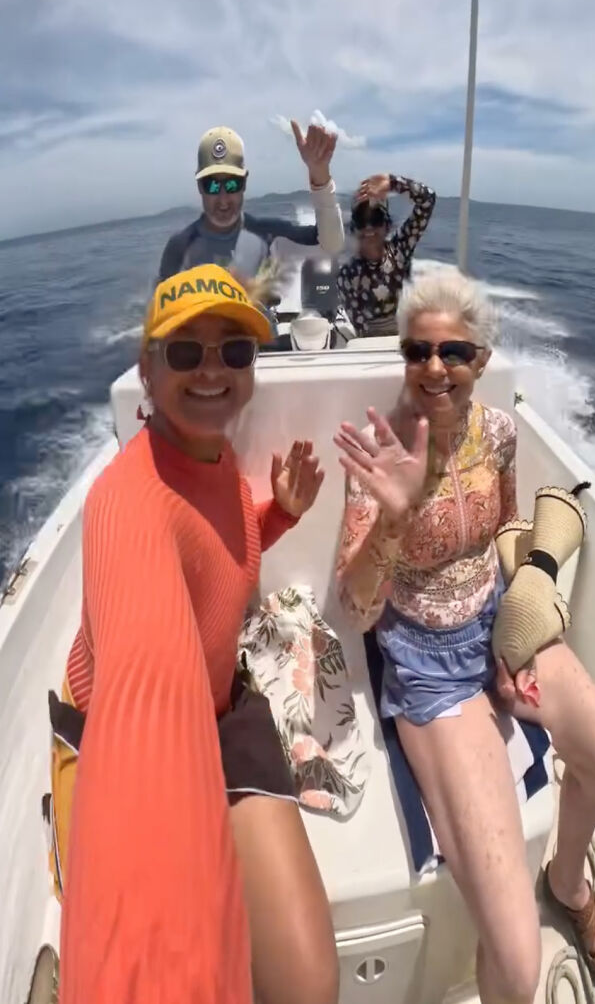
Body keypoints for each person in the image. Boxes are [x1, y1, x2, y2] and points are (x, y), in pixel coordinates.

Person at [49, 265, 338, 1004]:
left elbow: (217, 560)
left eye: (234, 352)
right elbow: (147, 690)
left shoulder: (216, 458)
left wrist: (279, 516)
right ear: (146, 371)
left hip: (221, 701)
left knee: (310, 987)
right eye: (184, 353)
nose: (212, 369)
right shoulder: (127, 503)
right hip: (119, 730)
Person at [334, 271, 595, 1004]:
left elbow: (502, 530)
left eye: (453, 351)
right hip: (426, 666)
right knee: (519, 962)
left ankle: (566, 881)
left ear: (482, 360)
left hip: (495, 631)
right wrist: (396, 517)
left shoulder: (498, 432)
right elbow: (357, 606)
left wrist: (517, 627)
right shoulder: (381, 450)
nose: (434, 367)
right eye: (417, 351)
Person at [158, 121, 344, 282]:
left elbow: (330, 245)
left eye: (232, 185)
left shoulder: (270, 235)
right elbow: (165, 310)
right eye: (212, 186)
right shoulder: (179, 247)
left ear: (244, 183)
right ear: (199, 187)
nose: (223, 200)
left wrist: (320, 175)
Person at [336, 172, 436, 336]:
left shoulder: (400, 249)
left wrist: (394, 183)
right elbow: (361, 330)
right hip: (375, 346)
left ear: (387, 225)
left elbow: (428, 199)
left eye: (375, 219)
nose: (369, 227)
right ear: (354, 228)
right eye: (362, 220)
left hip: (410, 334)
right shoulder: (346, 275)